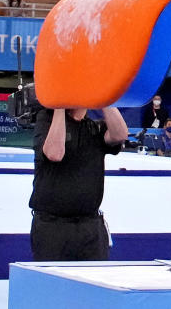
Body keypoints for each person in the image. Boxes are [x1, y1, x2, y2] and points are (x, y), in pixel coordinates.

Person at [29, 105, 128, 261]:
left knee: (93, 282)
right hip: (52, 226)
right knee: (54, 283)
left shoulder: (94, 127)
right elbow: (55, 153)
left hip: (90, 226)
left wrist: (104, 99)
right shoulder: (46, 120)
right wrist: (59, 105)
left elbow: (120, 135)